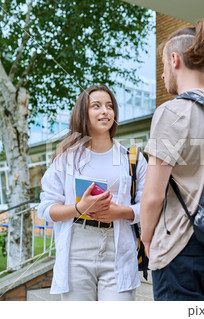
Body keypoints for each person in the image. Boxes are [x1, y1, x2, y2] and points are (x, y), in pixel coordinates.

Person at [140, 20, 204, 301]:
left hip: (179, 245)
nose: (162, 75)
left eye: (163, 67)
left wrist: (147, 239)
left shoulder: (172, 111)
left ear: (174, 59)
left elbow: (153, 196)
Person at [38, 84, 147, 301]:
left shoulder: (132, 158)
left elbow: (149, 207)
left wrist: (122, 212)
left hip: (118, 249)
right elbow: (45, 209)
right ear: (83, 114)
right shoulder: (66, 159)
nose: (105, 111)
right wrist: (79, 208)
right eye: (96, 106)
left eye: (109, 106)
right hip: (77, 251)